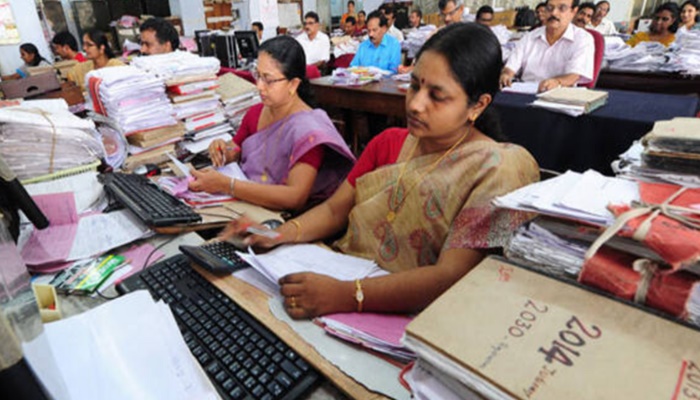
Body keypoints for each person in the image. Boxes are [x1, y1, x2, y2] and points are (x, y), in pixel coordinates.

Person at [221, 23, 539, 319]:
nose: (415, 104)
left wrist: (348, 295)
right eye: (414, 85)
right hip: (339, 279)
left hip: (410, 317)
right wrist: (276, 233)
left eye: (437, 96)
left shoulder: (496, 168)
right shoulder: (389, 142)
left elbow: (450, 276)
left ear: (478, 105)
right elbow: (334, 210)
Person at [189, 36, 355, 212]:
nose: (259, 86)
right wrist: (224, 150)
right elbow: (237, 147)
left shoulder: (308, 131)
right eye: (258, 76)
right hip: (247, 203)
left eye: (268, 80)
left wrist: (227, 185)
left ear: (293, 84)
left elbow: (295, 197)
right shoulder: (256, 112)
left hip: (287, 216)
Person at [500, 0, 594, 93]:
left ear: (574, 11)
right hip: (525, 93)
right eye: (550, 8)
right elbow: (511, 66)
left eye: (562, 8)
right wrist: (506, 74)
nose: (554, 13)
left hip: (559, 95)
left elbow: (574, 76)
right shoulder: (529, 37)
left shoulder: (583, 39)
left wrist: (557, 82)